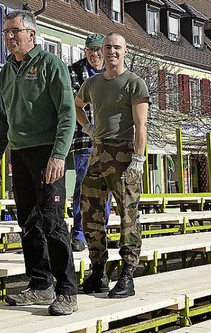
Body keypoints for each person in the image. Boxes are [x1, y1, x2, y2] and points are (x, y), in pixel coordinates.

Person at [0, 10, 78, 316]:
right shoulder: (6, 70)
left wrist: (59, 154)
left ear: (32, 34)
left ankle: (67, 291)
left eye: (15, 31)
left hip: (47, 153)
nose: (10, 37)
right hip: (19, 152)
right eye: (6, 32)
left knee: (52, 221)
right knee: (27, 222)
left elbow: (68, 113)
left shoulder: (50, 65)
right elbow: (1, 118)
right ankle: (40, 284)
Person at [75, 32, 149, 298]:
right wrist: (89, 127)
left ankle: (128, 274)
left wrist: (138, 159)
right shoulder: (93, 83)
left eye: (117, 47)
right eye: (107, 47)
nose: (111, 52)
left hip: (124, 152)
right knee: (90, 211)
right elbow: (77, 106)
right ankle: (98, 272)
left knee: (128, 215)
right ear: (101, 51)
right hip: (98, 152)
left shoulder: (134, 83)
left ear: (125, 51)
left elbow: (141, 125)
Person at [67, 33, 115, 252]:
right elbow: (74, 105)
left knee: (105, 189)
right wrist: (88, 127)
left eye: (98, 50)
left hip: (110, 142)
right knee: (84, 187)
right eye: (91, 50)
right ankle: (79, 233)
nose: (95, 54)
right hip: (85, 140)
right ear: (85, 51)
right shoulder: (74, 72)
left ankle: (100, 233)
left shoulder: (113, 73)